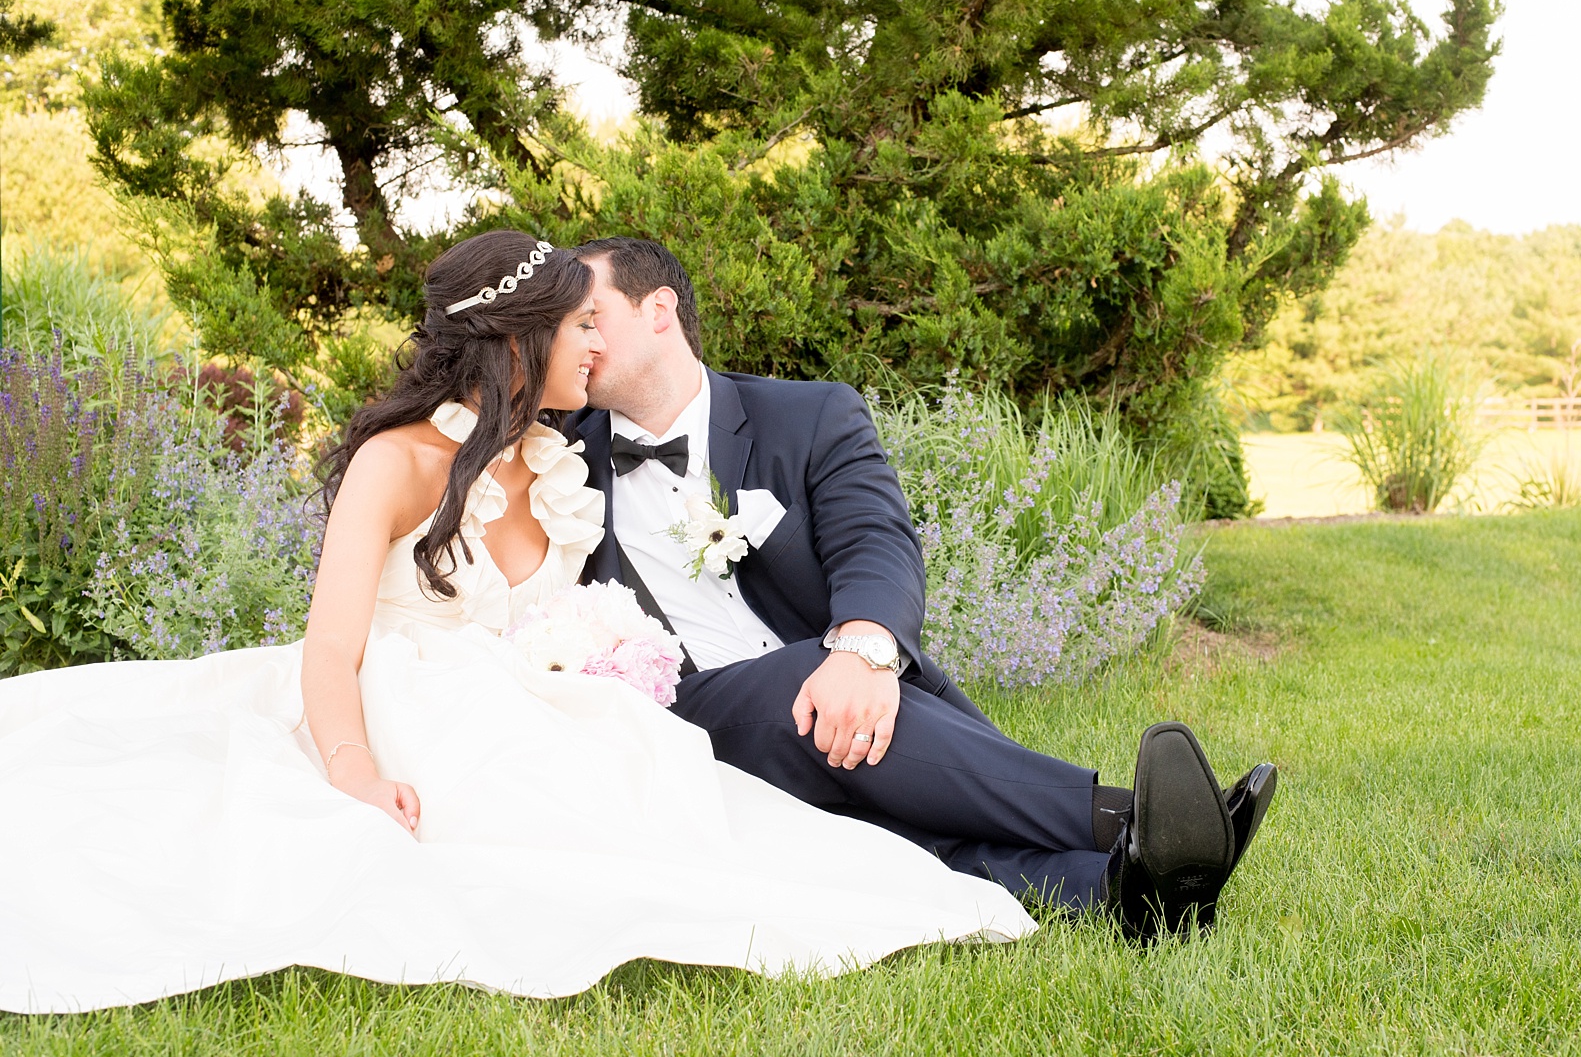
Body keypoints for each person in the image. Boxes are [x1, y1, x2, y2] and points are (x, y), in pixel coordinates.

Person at [0, 230, 1037, 1016]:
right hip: (405, 714)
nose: (594, 343)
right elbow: (334, 646)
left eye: (599, 320)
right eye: (577, 325)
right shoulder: (396, 461)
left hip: (544, 717)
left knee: (762, 820)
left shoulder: (560, 466)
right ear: (518, 338)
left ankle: (1094, 851)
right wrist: (354, 767)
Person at [567, 237, 1279, 939]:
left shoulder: (809, 416)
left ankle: (1128, 889)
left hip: (841, 702)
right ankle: (1133, 817)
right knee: (804, 687)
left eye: (591, 314)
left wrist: (865, 650)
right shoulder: (556, 454)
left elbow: (874, 540)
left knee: (895, 831)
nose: (578, 337)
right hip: (686, 727)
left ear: (659, 308)